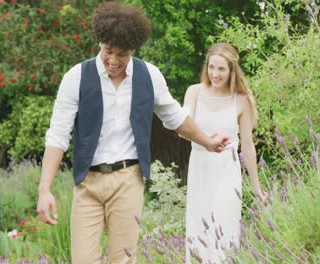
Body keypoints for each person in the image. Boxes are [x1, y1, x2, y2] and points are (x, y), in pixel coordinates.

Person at [36, 3, 230, 264]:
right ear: (100, 43)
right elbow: (58, 134)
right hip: (88, 184)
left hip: (128, 179)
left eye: (122, 54)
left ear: (133, 49)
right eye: (108, 51)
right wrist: (44, 188)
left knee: (124, 260)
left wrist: (207, 141)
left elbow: (174, 117)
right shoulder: (76, 78)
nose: (113, 61)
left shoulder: (149, 75)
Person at [183, 43, 268, 263]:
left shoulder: (241, 100)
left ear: (231, 71)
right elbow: (183, 128)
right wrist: (206, 139)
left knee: (224, 230)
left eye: (221, 69)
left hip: (227, 173)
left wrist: (257, 187)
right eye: (212, 67)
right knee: (198, 231)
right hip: (199, 169)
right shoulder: (194, 92)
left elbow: (247, 146)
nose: (215, 74)